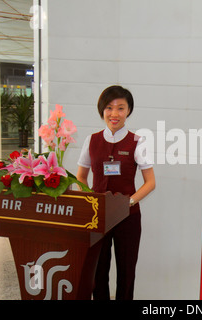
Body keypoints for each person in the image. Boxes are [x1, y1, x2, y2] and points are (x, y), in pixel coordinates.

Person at [76, 85, 155, 300]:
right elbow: (81, 177)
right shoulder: (91, 140)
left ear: (128, 111)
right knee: (98, 271)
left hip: (128, 217)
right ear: (102, 110)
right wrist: (89, 197)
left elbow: (150, 182)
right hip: (97, 217)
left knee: (126, 271)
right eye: (109, 108)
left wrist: (128, 202)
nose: (114, 114)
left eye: (121, 108)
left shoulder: (138, 142)